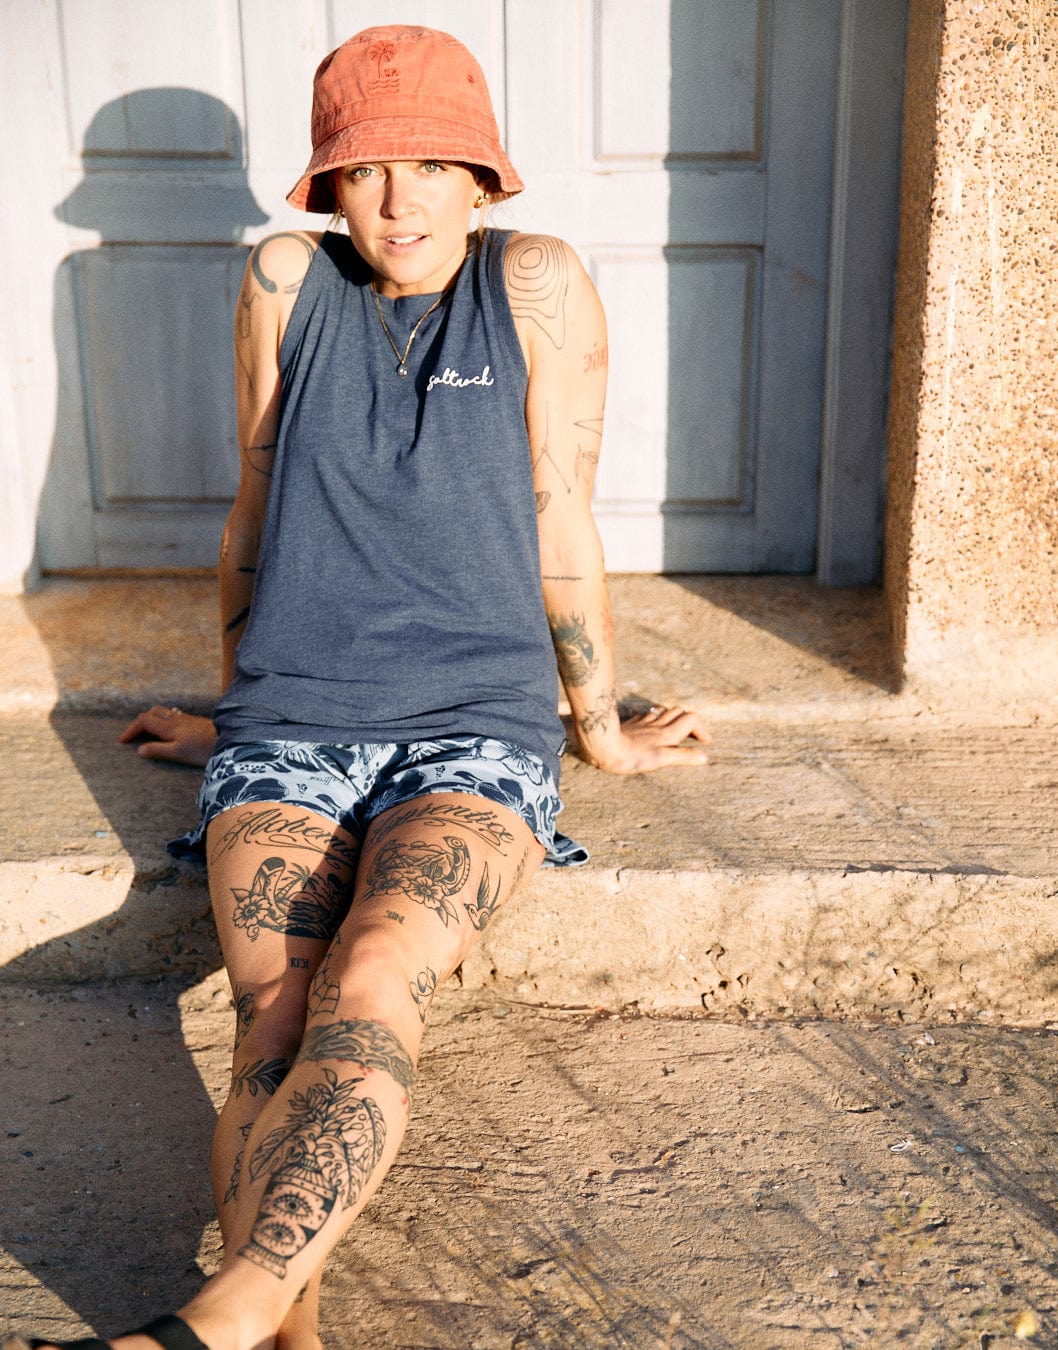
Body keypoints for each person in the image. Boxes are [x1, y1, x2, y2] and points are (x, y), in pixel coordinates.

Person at [6, 25, 708, 1350]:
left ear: (483, 179)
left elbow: (561, 512)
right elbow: (259, 502)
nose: (401, 198)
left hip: (477, 727)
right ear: (328, 181)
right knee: (271, 1011)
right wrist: (234, 704)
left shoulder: (536, 282)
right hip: (296, 718)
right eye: (368, 166)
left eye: (435, 163)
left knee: (376, 972)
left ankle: (206, 1324)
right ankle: (285, 1333)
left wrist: (596, 725)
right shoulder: (286, 279)